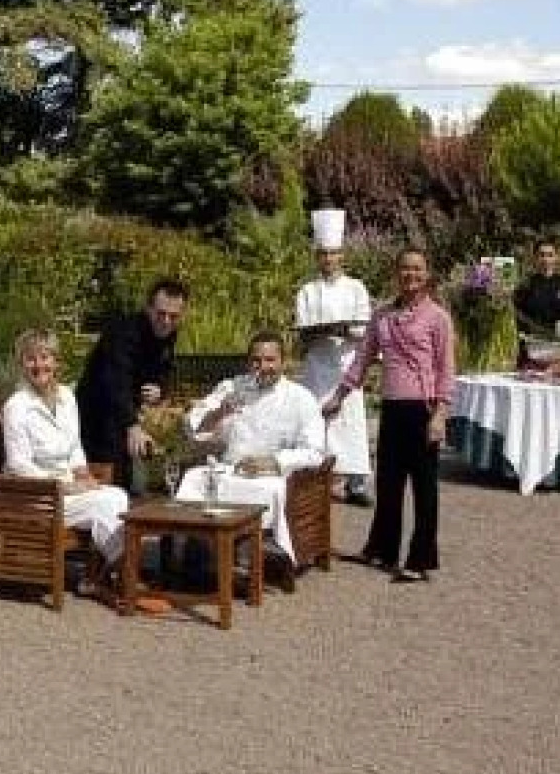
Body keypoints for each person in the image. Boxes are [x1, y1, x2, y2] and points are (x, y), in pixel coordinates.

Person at [330, 249, 455, 583]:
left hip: (422, 409)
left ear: (427, 275)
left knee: (424, 487)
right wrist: (340, 395)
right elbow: (363, 357)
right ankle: (382, 547)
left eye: (417, 269)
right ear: (396, 273)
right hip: (392, 407)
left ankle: (421, 558)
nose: (409, 275)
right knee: (388, 483)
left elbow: (446, 369)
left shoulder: (438, 318)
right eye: (404, 268)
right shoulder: (382, 315)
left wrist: (440, 414)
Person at [178, 330, 325, 564]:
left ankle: (252, 554)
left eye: (270, 360)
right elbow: (192, 427)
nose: (262, 367)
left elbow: (315, 451)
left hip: (271, 475)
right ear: (248, 362)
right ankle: (197, 549)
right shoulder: (232, 387)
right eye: (256, 360)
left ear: (282, 361)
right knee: (193, 478)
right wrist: (217, 413)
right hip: (228, 470)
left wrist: (274, 462)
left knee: (269, 491)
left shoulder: (301, 398)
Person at [1, 328, 128, 581]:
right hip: (36, 495)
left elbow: (75, 446)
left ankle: (113, 571)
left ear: (56, 361)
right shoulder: (17, 406)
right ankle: (121, 574)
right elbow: (18, 465)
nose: (39, 365)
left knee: (116, 495)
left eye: (45, 357)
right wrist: (66, 486)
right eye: (31, 359)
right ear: (22, 365)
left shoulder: (67, 397)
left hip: (68, 490)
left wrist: (83, 473)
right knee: (105, 503)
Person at [75, 279, 187, 493]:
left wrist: (159, 389)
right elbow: (116, 380)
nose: (166, 321)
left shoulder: (168, 333)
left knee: (127, 474)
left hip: (126, 412)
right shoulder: (122, 332)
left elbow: (165, 369)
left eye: (174, 317)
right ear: (148, 308)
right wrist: (132, 424)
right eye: (160, 313)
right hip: (98, 412)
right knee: (110, 476)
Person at [295, 208, 372, 506]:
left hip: (346, 364)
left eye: (334, 253)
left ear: (342, 255)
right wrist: (317, 333)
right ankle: (316, 480)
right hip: (317, 364)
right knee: (316, 421)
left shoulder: (356, 287)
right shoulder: (307, 291)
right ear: (317, 256)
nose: (329, 259)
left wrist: (346, 330)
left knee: (350, 421)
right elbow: (302, 330)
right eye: (323, 253)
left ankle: (356, 483)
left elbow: (365, 327)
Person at [513, 239, 560, 367]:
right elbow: (520, 322)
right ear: (535, 258)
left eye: (550, 255)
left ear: (557, 258)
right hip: (533, 354)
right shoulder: (524, 288)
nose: (546, 260)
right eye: (542, 255)